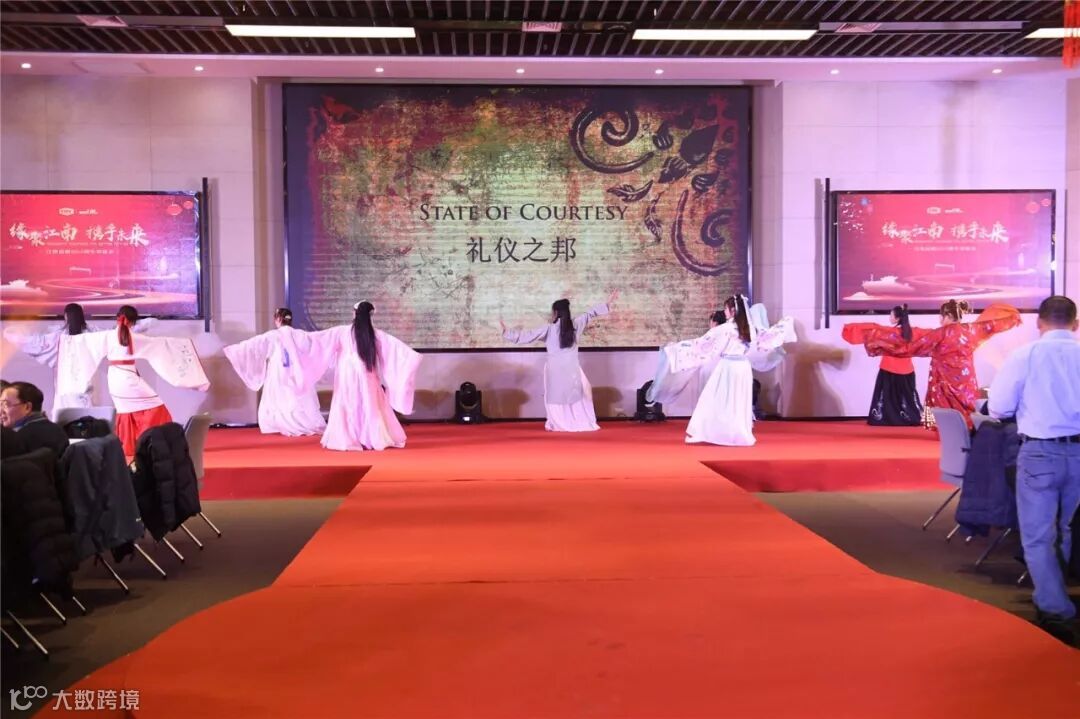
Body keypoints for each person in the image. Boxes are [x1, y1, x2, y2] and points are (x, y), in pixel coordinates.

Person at [988, 295, 1080, 644]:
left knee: (1039, 535)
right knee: (1067, 529)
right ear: (1076, 323)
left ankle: (1055, 608)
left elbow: (999, 407)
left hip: (1039, 452)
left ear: (1039, 322)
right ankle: (1054, 597)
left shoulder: (1024, 356)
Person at [56, 305, 210, 455]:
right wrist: (182, 344)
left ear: (118, 318)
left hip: (114, 378)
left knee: (126, 411)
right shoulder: (135, 337)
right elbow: (160, 344)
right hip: (128, 378)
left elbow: (81, 342)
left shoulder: (106, 336)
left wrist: (65, 341)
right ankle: (154, 443)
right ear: (133, 321)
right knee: (156, 405)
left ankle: (129, 445)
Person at [850, 299, 1021, 422]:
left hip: (944, 380)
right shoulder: (972, 330)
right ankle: (967, 428)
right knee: (966, 406)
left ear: (948, 315)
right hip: (965, 379)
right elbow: (991, 325)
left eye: (942, 316)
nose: (940, 319)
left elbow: (912, 345)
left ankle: (945, 431)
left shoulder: (940, 334)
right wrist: (1012, 316)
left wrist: (878, 341)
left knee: (942, 406)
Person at [286, 301, 421, 452]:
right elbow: (396, 350)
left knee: (347, 404)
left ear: (354, 313)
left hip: (347, 375)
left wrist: (291, 336)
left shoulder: (342, 331)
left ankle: (348, 438)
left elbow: (317, 340)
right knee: (370, 405)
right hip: (367, 373)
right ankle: (371, 438)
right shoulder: (375, 334)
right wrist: (412, 358)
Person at [3, 302, 154, 413]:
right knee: (87, 423)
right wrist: (139, 324)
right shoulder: (92, 335)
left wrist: (13, 330)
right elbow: (116, 334)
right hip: (86, 392)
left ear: (66, 317)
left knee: (64, 422)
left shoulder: (57, 337)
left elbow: (31, 341)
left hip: (64, 394)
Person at [501, 292, 617, 432]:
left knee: (556, 396)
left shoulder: (549, 329)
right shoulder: (576, 324)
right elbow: (590, 313)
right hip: (571, 368)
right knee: (578, 396)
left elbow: (528, 336)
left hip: (554, 369)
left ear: (556, 313)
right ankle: (578, 420)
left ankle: (559, 422)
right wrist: (607, 304)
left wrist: (507, 333)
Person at [223, 307, 327, 437]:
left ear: (278, 319)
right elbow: (314, 346)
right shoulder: (301, 335)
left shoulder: (273, 335)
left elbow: (254, 346)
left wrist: (234, 350)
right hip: (297, 373)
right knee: (299, 397)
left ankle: (279, 424)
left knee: (279, 396)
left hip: (279, 373)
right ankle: (304, 422)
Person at [842, 304, 926, 426]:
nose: (889, 317)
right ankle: (909, 418)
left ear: (897, 319)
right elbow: (930, 334)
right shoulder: (914, 333)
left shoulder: (888, 332)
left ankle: (887, 419)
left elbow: (871, 328)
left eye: (891, 315)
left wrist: (849, 328)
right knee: (907, 396)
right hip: (906, 369)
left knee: (886, 396)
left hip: (888, 368)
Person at [0, 381, 70, 458]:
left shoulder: (17, 439)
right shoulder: (58, 430)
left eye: (5, 404)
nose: (1, 410)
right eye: (0, 404)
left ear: (27, 407)